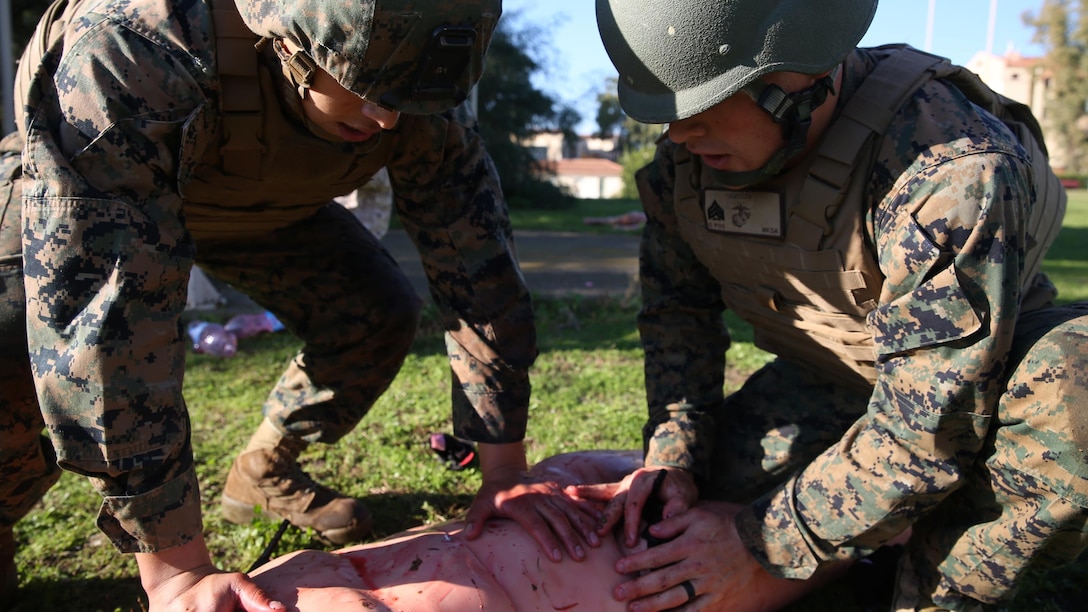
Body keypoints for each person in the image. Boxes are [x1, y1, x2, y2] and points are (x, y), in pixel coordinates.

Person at [0, 0, 600, 608]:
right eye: (366, 89)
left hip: (261, 210)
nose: (387, 118)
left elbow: (475, 266)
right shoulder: (136, 44)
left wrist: (502, 473)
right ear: (288, 41)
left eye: (404, 97)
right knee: (22, 355)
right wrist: (176, 573)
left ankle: (264, 467)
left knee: (375, 310)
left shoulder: (418, 75)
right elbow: (105, 316)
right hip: (75, 201)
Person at [571, 1, 1088, 611]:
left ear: (793, 83)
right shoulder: (683, 168)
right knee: (697, 501)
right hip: (833, 375)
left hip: (984, 386)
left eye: (698, 109)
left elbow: (931, 427)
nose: (678, 134)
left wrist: (758, 541)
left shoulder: (948, 167)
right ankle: (879, 531)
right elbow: (678, 321)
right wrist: (675, 459)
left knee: (1072, 392)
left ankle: (934, 589)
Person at [247, 450, 842, 612]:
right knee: (701, 568)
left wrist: (665, 466)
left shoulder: (241, 593)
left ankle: (868, 526)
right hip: (642, 578)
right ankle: (878, 534)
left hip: (570, 505)